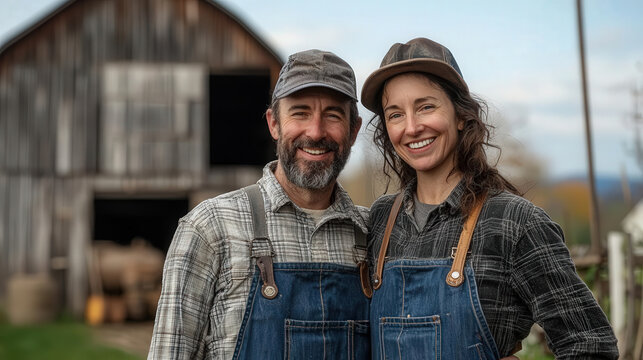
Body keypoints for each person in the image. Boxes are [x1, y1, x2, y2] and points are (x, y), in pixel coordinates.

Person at [360, 37, 619, 359]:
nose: (411, 127)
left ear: (460, 115)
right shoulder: (380, 220)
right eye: (395, 114)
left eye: (426, 106)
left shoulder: (515, 222)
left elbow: (591, 345)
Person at [148, 49, 370, 359]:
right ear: (274, 123)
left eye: (333, 115)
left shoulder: (374, 235)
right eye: (300, 112)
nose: (316, 132)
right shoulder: (210, 227)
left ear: (353, 130)